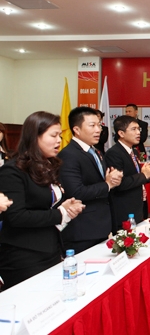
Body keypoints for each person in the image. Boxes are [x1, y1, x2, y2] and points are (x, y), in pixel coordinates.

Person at [0, 112, 85, 290]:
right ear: (34, 136)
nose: (59, 141)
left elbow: (45, 203)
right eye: (53, 135)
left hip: (51, 247)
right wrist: (59, 214)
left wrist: (65, 207)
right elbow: (16, 216)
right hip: (24, 255)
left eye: (60, 135)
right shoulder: (12, 171)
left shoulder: (48, 166)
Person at [59, 107, 123, 254]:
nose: (98, 130)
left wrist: (113, 180)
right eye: (92, 125)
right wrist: (107, 185)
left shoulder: (96, 151)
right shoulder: (69, 155)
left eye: (99, 125)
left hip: (100, 226)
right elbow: (76, 192)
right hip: (82, 230)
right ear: (76, 129)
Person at [106, 115, 150, 231]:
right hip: (124, 211)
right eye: (133, 129)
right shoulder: (114, 153)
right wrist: (144, 175)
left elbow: (138, 176)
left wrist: (148, 173)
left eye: (139, 129)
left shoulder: (133, 152)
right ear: (121, 133)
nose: (138, 132)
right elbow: (119, 184)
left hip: (137, 207)